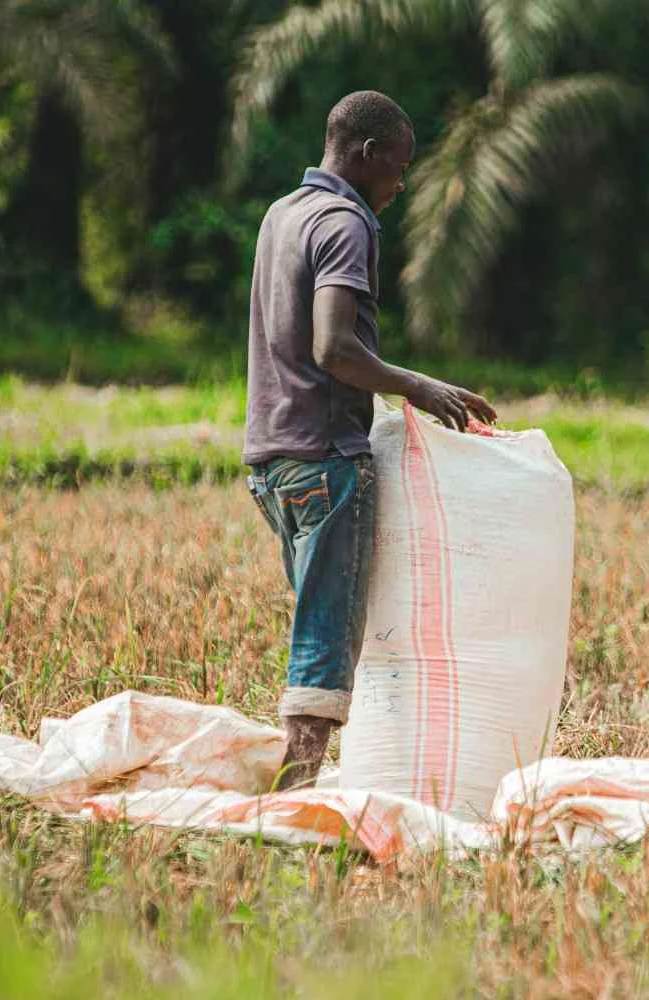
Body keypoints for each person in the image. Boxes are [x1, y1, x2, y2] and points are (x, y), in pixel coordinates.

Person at [241, 90, 496, 790]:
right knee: (325, 635)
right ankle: (295, 795)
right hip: (325, 456)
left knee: (326, 620)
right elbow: (333, 347)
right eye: (400, 166)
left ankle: (323, 776)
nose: (402, 182)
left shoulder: (282, 214)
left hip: (270, 460)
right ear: (367, 154)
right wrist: (420, 386)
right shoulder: (345, 221)